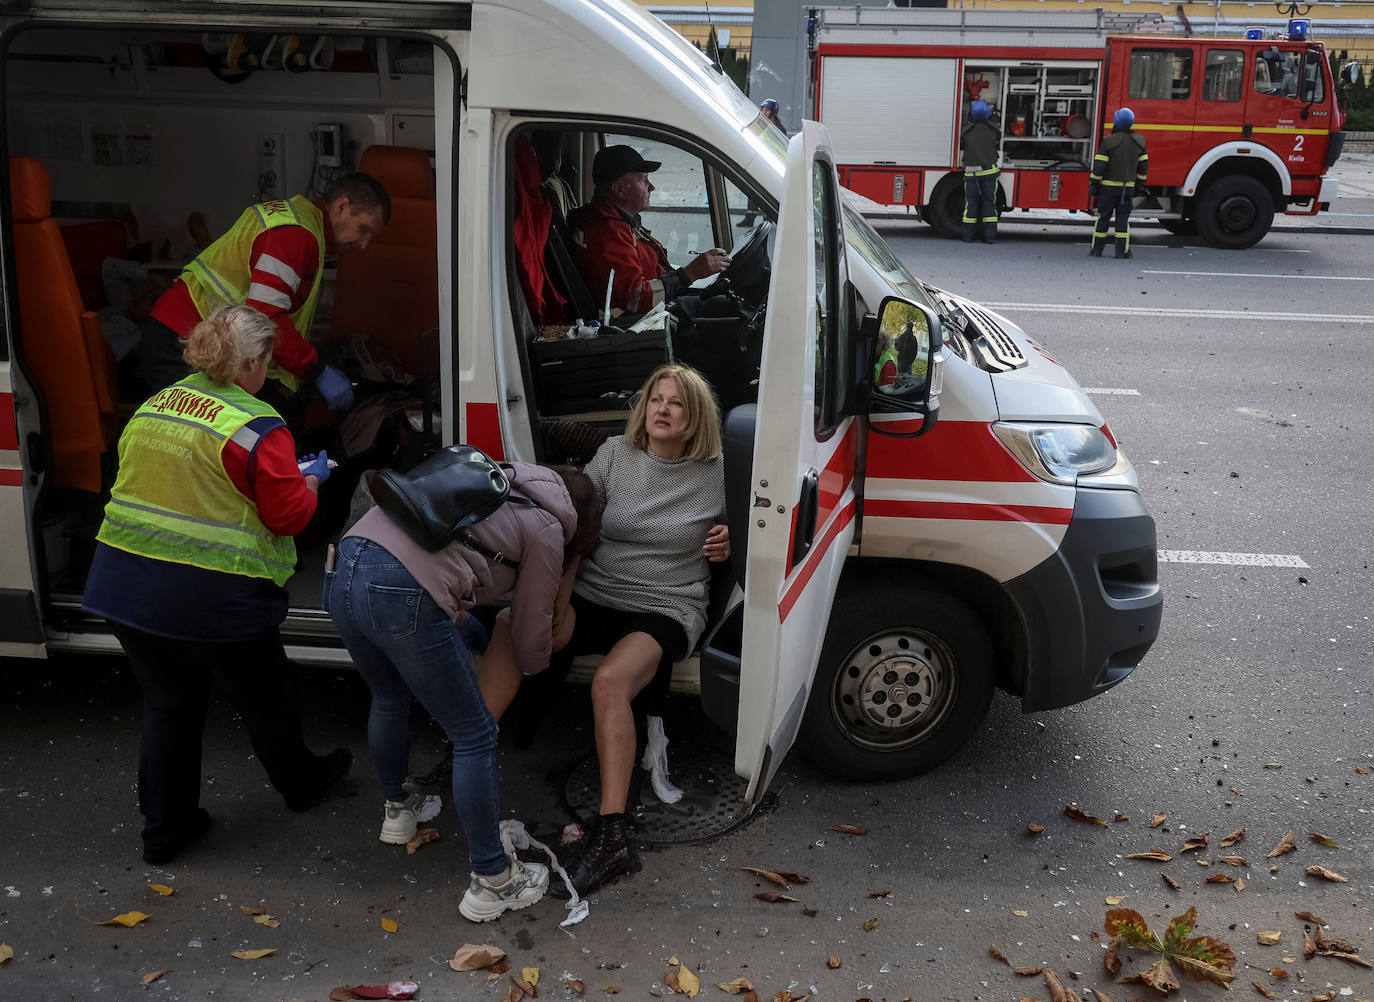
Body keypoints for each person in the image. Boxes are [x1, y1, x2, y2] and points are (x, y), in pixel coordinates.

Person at [81, 305, 351, 865]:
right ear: (252, 360)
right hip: (210, 597)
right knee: (265, 694)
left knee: (170, 704)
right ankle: (301, 784)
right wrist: (312, 482)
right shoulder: (257, 426)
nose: (271, 371)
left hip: (122, 584)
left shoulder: (156, 404)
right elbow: (288, 519)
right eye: (269, 360)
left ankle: (165, 830)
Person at [327, 462, 604, 922]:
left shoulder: (489, 481)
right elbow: (530, 636)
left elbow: (442, 565)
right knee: (475, 734)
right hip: (402, 588)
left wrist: (468, 630)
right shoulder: (548, 526)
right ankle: (494, 881)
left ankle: (400, 810)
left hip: (345, 567)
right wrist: (539, 653)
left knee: (389, 696)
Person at [543, 363, 730, 897]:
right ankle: (462, 766)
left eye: (676, 403)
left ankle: (613, 835)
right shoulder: (613, 456)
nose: (662, 410)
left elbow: (754, 524)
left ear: (695, 420)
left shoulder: (717, 472)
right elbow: (574, 521)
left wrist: (730, 543)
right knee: (518, 630)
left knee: (610, 683)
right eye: (655, 400)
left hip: (666, 601)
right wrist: (554, 601)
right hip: (597, 589)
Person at [139, 173, 391, 407]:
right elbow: (266, 317)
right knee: (193, 442)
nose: (364, 244)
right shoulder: (297, 234)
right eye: (364, 229)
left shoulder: (297, 220)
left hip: (194, 339)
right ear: (342, 207)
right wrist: (314, 369)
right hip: (182, 342)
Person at [568, 145, 731, 316]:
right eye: (642, 179)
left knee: (720, 303)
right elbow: (636, 298)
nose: (651, 186)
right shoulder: (607, 232)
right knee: (725, 309)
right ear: (620, 190)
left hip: (658, 307)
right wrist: (690, 273)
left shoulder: (620, 221)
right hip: (645, 321)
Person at [1090, 108, 1149, 259]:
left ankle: (1097, 250)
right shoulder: (1139, 141)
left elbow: (1099, 167)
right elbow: (1143, 167)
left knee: (1103, 218)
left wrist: (1094, 184)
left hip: (1108, 189)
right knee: (1123, 220)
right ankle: (1122, 252)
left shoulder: (1108, 142)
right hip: (1127, 189)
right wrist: (1141, 185)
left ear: (1116, 122)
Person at [961, 100, 1001, 244]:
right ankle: (989, 237)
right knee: (989, 204)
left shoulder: (966, 131)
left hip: (971, 174)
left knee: (970, 205)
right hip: (989, 173)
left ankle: (967, 236)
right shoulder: (993, 130)